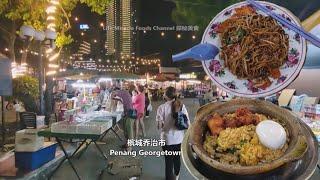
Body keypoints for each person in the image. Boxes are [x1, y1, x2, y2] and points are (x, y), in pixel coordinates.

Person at [156, 87, 190, 180]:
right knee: (177, 158)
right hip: (179, 139)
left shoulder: (161, 108)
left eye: (164, 93)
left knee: (168, 161)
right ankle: (176, 177)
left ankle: (169, 178)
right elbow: (187, 123)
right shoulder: (181, 106)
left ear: (166, 96)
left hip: (166, 139)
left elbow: (159, 126)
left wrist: (163, 124)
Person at [112, 87, 134, 151]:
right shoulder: (124, 94)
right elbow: (120, 100)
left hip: (130, 113)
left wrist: (112, 96)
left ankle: (130, 148)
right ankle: (127, 144)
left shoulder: (122, 92)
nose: (116, 95)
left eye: (116, 93)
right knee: (126, 131)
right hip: (127, 113)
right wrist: (115, 98)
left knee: (129, 131)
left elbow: (113, 94)